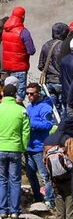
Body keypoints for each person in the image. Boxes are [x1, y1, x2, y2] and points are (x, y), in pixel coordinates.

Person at [25, 83, 56, 210]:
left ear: (38, 93)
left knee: (45, 176)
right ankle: (37, 197)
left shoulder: (45, 107)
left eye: (32, 93)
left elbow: (48, 125)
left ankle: (50, 199)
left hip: (40, 147)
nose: (29, 96)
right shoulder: (29, 107)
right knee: (30, 174)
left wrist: (31, 123)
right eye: (27, 94)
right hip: (29, 147)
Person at [0, 82, 29, 217]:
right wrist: (23, 147)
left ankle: (2, 210)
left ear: (3, 94)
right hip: (15, 148)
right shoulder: (21, 110)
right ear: (15, 95)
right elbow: (26, 131)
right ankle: (14, 211)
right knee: (15, 180)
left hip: (0, 148)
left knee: (2, 179)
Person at [1, 6, 36, 99]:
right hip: (19, 68)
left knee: (8, 96)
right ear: (23, 17)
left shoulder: (5, 30)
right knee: (19, 98)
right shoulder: (24, 32)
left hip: (7, 69)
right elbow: (31, 50)